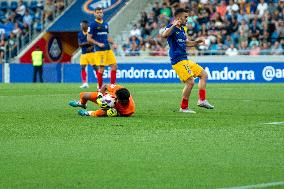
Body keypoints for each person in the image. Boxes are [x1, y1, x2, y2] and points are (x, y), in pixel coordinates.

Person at [161, 8, 214, 113]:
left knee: (204, 74)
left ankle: (202, 100)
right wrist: (173, 25)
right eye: (185, 17)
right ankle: (184, 107)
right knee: (190, 82)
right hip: (177, 60)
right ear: (178, 17)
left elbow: (186, 43)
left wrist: (197, 42)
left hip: (185, 59)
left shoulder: (182, 30)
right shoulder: (171, 28)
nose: (187, 19)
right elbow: (164, 35)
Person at [87, 7, 117, 90]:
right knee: (101, 69)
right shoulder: (92, 25)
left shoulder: (106, 24)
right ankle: (100, 88)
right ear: (95, 13)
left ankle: (112, 87)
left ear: (103, 13)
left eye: (101, 12)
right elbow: (88, 38)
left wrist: (113, 43)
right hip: (99, 50)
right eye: (98, 12)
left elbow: (107, 37)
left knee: (114, 66)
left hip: (108, 48)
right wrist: (98, 43)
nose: (99, 14)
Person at [68, 84, 135, 117]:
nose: (116, 99)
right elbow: (105, 86)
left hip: (113, 108)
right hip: (107, 97)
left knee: (101, 113)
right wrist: (100, 96)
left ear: (124, 101)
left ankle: (87, 113)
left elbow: (121, 115)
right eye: (116, 97)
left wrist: (114, 112)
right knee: (83, 95)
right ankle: (82, 104)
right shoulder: (118, 89)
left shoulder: (129, 110)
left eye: (117, 99)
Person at [78, 20, 96, 88]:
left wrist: (89, 45)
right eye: (81, 25)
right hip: (83, 54)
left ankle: (99, 83)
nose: (81, 26)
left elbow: (94, 42)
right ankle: (85, 83)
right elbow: (79, 44)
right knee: (82, 67)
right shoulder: (79, 34)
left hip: (91, 53)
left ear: (86, 25)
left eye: (82, 25)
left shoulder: (90, 32)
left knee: (95, 68)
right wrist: (88, 43)